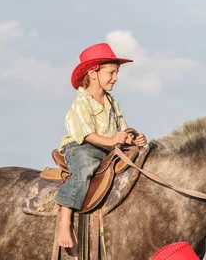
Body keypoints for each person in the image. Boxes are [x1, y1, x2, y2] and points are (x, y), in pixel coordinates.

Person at [54, 43, 147, 248]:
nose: (115, 77)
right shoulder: (82, 103)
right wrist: (114, 140)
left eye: (116, 72)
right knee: (84, 171)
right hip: (81, 148)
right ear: (93, 72)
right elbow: (87, 134)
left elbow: (120, 130)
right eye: (111, 72)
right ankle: (64, 220)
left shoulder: (113, 103)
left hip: (109, 149)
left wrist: (132, 139)